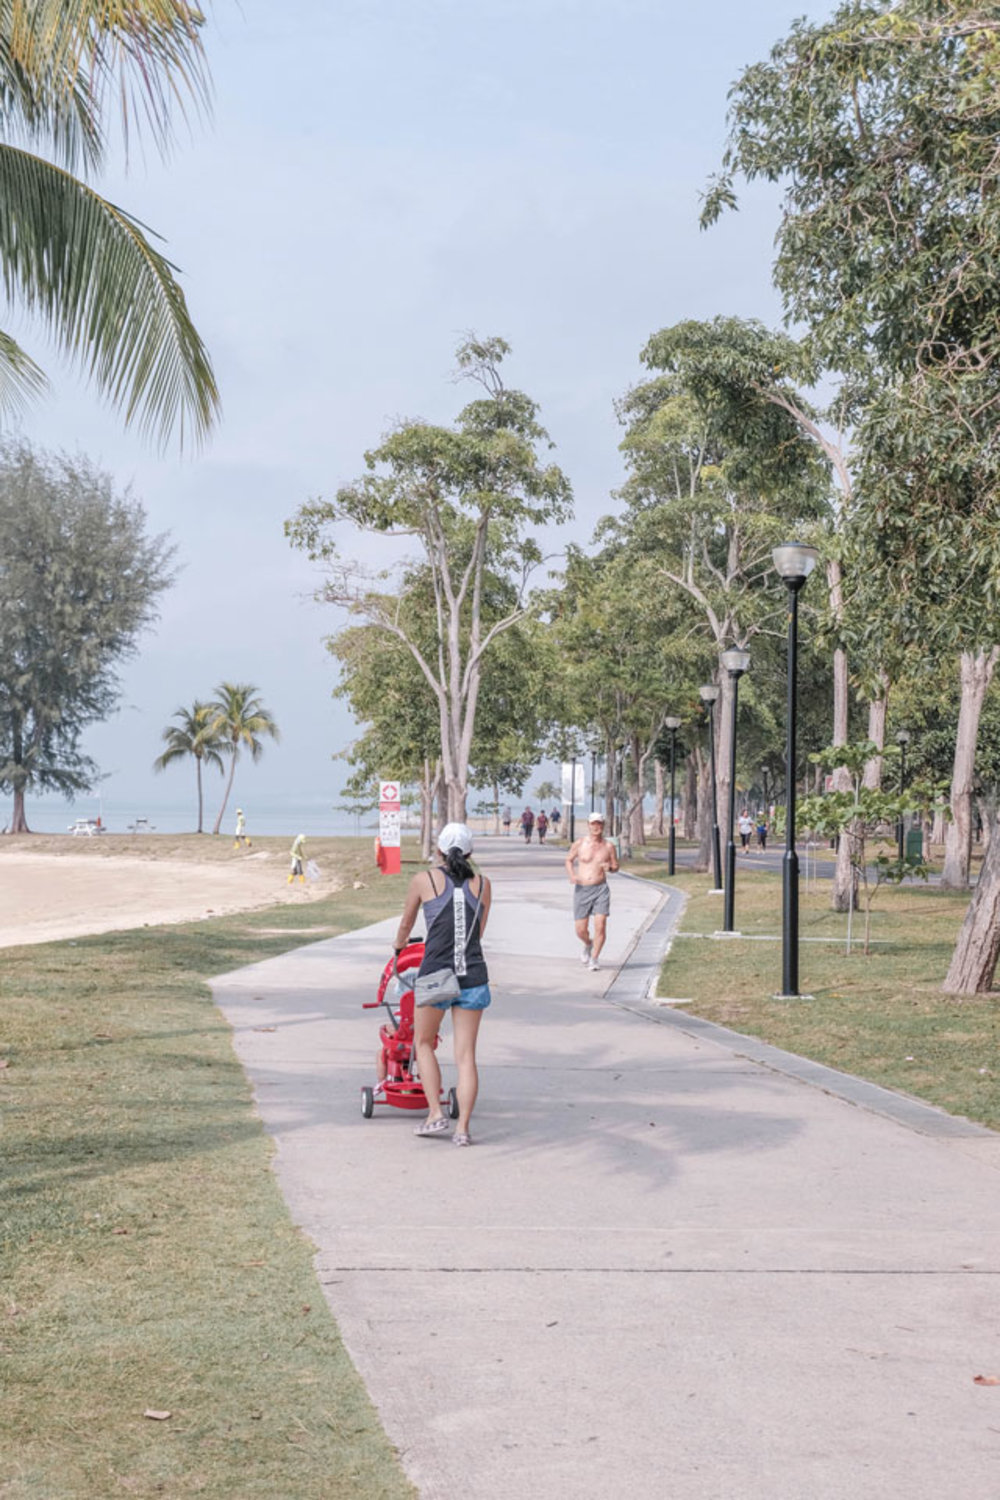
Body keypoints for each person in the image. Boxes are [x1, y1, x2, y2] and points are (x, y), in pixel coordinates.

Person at [393, 822, 492, 1146]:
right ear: (470, 852)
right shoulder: (483, 884)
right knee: (466, 1056)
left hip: (436, 973)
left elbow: (407, 923)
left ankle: (435, 1113)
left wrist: (399, 946)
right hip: (473, 976)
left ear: (439, 851)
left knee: (423, 1043)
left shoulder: (425, 880)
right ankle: (462, 1129)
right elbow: (478, 932)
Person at [565, 811, 619, 971]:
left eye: (599, 824)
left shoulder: (608, 846)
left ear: (603, 825)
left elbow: (616, 866)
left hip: (601, 889)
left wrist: (610, 868)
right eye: (593, 824)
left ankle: (594, 959)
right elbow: (568, 860)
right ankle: (588, 944)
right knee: (580, 930)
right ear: (588, 825)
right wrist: (572, 875)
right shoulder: (580, 843)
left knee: (600, 925)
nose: (596, 827)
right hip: (582, 889)